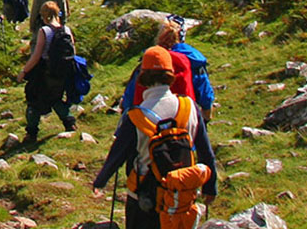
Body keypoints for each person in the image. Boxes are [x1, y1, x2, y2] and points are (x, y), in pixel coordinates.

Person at [93, 46, 217, 229]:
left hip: (144, 199)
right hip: (181, 197)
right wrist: (210, 187)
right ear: (171, 74)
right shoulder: (189, 107)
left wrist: (100, 181)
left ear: (142, 77)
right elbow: (206, 153)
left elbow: (117, 155)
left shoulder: (135, 116)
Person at [16, 1, 76, 144]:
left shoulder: (44, 31)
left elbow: (36, 56)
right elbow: (73, 52)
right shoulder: (67, 30)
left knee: (34, 101)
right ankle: (70, 123)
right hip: (62, 72)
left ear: (44, 16)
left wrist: (24, 71)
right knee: (55, 98)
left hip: (45, 71)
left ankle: (31, 133)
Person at [120, 19, 196, 112]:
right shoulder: (186, 60)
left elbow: (129, 98)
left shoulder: (149, 60)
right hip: (184, 112)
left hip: (147, 114)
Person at [164, 14, 215, 121]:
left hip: (154, 117)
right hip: (186, 115)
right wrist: (206, 115)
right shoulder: (193, 60)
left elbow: (130, 97)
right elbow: (205, 93)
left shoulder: (151, 59)